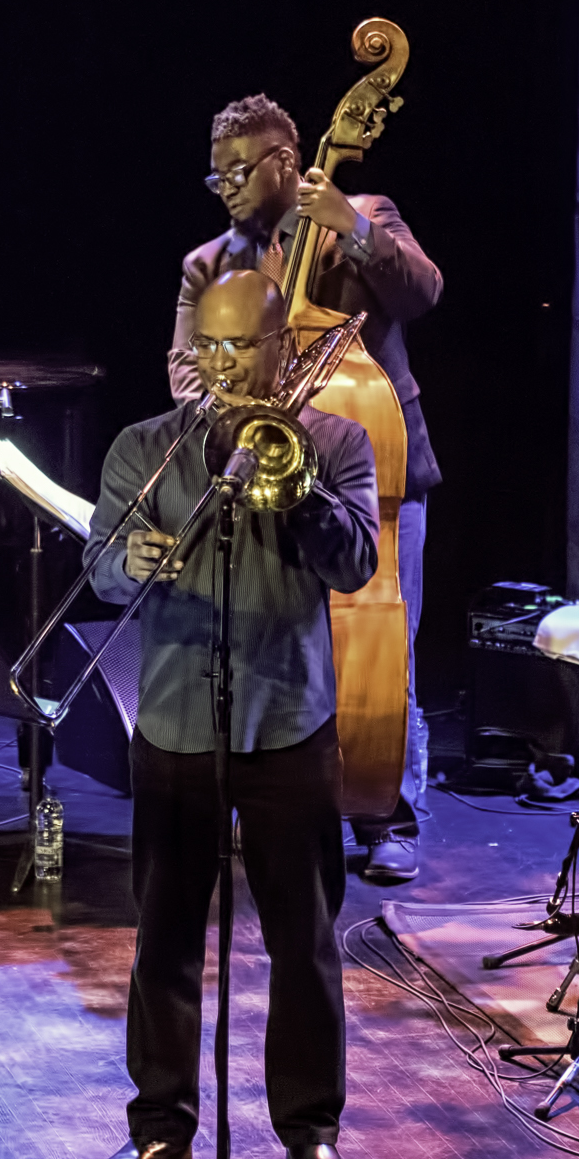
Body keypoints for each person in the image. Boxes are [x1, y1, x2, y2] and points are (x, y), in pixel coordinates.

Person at [95, 270, 379, 1159]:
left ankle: (312, 1133)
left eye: (241, 348)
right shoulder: (145, 447)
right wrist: (124, 559)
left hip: (288, 723)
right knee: (164, 936)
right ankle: (160, 1130)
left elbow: (355, 563)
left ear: (281, 350)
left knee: (303, 939)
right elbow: (99, 561)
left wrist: (295, 491)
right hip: (176, 721)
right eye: (207, 348)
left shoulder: (336, 441)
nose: (223, 367)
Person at [170, 94, 441, 883]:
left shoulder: (363, 214)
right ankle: (260, 799)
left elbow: (423, 292)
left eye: (239, 170)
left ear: (287, 162)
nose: (225, 186)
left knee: (388, 654)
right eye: (216, 174)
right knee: (258, 640)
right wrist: (236, 422)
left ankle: (389, 814)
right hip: (258, 475)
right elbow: (186, 373)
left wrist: (353, 233)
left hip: (379, 474)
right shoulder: (208, 265)